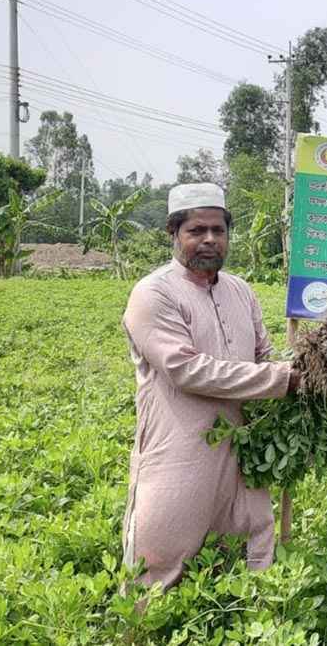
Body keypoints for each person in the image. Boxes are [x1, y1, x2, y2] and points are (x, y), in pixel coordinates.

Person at [120, 182, 300, 591]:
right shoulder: (153, 293)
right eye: (196, 230)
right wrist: (281, 379)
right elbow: (187, 370)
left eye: (218, 231)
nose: (209, 240)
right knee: (159, 555)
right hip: (179, 447)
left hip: (241, 446)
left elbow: (262, 355)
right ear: (173, 233)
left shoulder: (241, 290)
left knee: (250, 544)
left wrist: (300, 370)